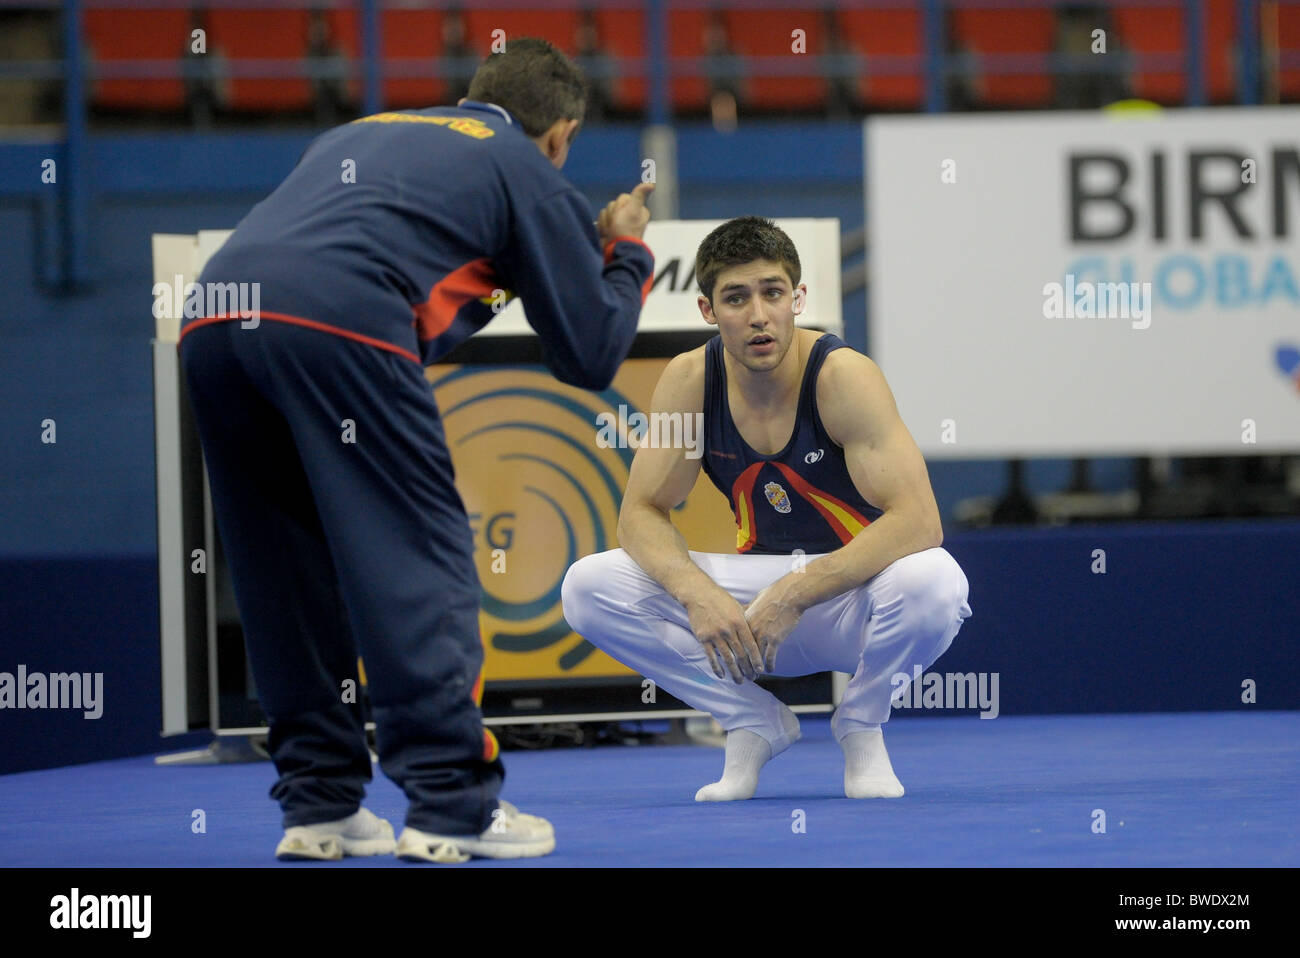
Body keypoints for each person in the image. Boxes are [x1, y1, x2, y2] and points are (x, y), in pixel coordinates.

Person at [177, 37, 655, 862]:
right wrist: (628, 254)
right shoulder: (525, 164)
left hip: (213, 322)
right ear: (561, 134)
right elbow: (590, 352)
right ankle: (452, 805)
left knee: (284, 568)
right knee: (420, 557)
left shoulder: (367, 130)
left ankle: (320, 804)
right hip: (338, 321)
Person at [561, 217, 970, 801]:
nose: (758, 315)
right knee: (588, 586)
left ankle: (861, 723)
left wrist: (795, 592)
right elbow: (642, 513)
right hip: (749, 617)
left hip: (848, 602)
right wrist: (696, 593)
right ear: (707, 309)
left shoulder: (843, 376)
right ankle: (752, 718)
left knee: (937, 580)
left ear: (798, 299)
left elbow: (919, 520)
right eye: (736, 298)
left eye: (773, 293)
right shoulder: (688, 381)